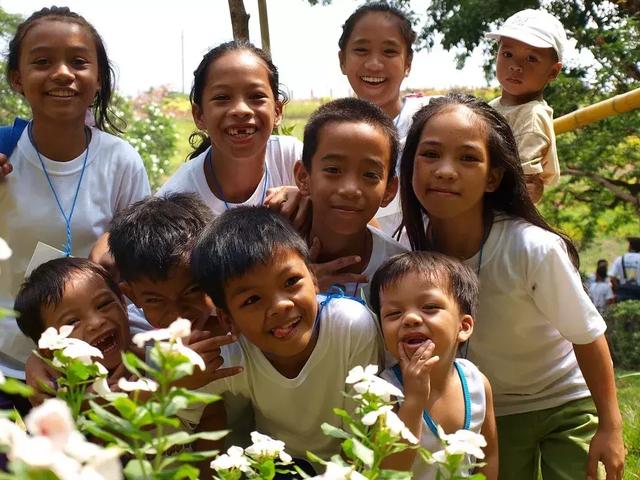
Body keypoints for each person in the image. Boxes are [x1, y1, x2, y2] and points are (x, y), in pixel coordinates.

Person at [399, 93, 625, 479]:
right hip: (493, 411)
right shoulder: (408, 252)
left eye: (468, 158)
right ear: (409, 164)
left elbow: (587, 335)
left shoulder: (531, 248)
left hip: (563, 402)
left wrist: (610, 426)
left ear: (493, 177)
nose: (445, 170)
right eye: (430, 154)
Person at [0, 7, 150, 383]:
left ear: (98, 78)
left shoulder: (121, 161)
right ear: (18, 79)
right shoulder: (4, 154)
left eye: (79, 61)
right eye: (43, 61)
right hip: (8, 366)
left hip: (101, 365)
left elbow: (142, 271)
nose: (63, 73)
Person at [188, 206, 382, 468]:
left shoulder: (351, 326)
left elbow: (365, 435)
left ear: (313, 278)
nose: (280, 305)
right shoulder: (230, 355)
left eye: (291, 282)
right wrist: (180, 384)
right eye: (252, 299)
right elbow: (176, 422)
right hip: (274, 469)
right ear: (227, 319)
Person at [369, 251, 497, 479]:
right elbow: (389, 471)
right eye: (394, 313)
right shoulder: (385, 392)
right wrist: (414, 401)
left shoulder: (477, 383)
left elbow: (489, 456)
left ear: (464, 326)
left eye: (429, 307)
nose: (410, 319)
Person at [156, 41, 302, 218]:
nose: (240, 110)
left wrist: (308, 197)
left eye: (256, 96)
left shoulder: (293, 160)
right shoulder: (176, 203)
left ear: (277, 111)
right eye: (222, 97)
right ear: (199, 115)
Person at [294, 98, 407, 300]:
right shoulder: (268, 254)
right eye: (333, 170)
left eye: (370, 175)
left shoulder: (401, 271)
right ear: (303, 177)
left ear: (390, 189)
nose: (350, 189)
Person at [338, 2, 432, 235]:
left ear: (408, 62)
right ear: (342, 60)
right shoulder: (330, 134)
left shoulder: (430, 121)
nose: (374, 64)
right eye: (361, 50)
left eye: (389, 51)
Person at [486, 9, 565, 203]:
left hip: (501, 217)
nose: (516, 65)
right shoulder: (492, 106)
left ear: (553, 72)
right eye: (507, 53)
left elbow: (525, 186)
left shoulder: (532, 115)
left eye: (531, 58)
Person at [14, 258, 134, 384]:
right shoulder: (58, 395)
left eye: (103, 304)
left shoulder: (148, 331)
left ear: (123, 304)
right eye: (72, 322)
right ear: (50, 350)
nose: (96, 322)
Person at [609, 236, 640, 301]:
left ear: (630, 247)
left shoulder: (620, 259)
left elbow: (612, 277)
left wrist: (617, 288)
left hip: (623, 294)